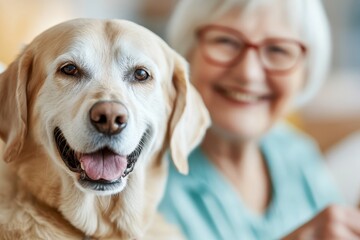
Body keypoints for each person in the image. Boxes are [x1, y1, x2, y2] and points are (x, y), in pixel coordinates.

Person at [158, 0, 360, 239]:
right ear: (186, 51)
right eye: (226, 41)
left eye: (278, 50)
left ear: (304, 72)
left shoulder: (296, 153)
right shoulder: (145, 178)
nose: (248, 73)